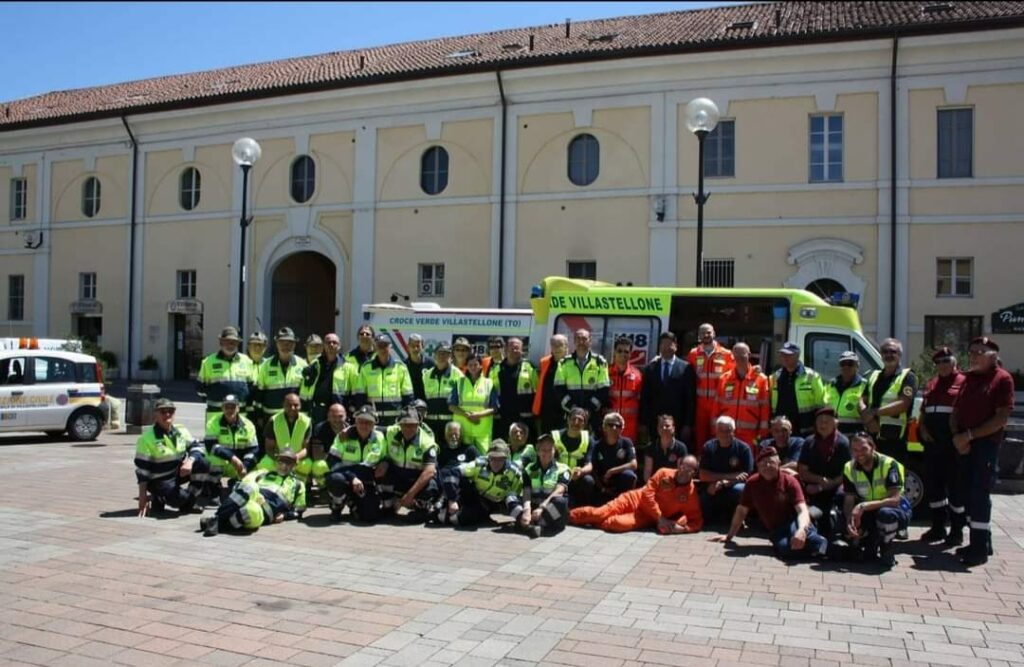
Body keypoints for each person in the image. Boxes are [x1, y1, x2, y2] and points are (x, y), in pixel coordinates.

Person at [951, 336, 1015, 567]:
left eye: (980, 352)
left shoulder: (1002, 379)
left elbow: (1001, 418)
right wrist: (958, 437)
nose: (974, 356)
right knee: (967, 493)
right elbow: (956, 411)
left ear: (993, 355)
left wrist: (969, 436)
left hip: (986, 445)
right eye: (971, 351)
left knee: (979, 495)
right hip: (965, 444)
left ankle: (978, 549)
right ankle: (980, 541)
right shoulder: (969, 379)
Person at [710, 447, 830, 560]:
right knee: (785, 550)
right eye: (762, 463)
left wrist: (801, 530)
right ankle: (818, 551)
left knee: (808, 538)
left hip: (795, 520)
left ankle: (833, 550)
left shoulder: (789, 481)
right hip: (777, 529)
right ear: (757, 466)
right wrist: (729, 536)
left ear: (778, 463)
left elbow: (802, 510)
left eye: (771, 462)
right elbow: (741, 510)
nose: (767, 466)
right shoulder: (752, 483)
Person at [571, 454, 703, 534]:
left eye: (690, 469)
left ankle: (591, 522)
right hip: (633, 499)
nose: (685, 471)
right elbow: (647, 494)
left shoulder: (690, 494)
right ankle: (569, 516)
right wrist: (660, 518)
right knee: (599, 513)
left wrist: (683, 529)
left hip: (647, 517)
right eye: (684, 466)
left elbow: (696, 521)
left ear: (694, 473)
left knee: (616, 524)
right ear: (679, 465)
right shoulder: (663, 473)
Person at [917, 347, 966, 544]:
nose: (942, 365)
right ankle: (938, 528)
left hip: (953, 445)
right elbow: (923, 411)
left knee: (955, 490)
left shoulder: (964, 382)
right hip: (933, 444)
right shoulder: (932, 383)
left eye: (946, 361)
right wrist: (922, 429)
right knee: (934, 488)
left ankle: (956, 531)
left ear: (954, 361)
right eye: (938, 362)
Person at [842, 432, 912, 568]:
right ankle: (868, 542)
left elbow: (894, 499)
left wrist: (863, 506)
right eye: (855, 450)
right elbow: (849, 499)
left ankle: (887, 548)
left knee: (886, 515)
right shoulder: (849, 467)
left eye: (863, 449)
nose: (859, 454)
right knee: (843, 521)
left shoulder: (889, 464)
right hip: (869, 510)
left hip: (895, 509)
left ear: (873, 447)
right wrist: (849, 519)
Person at [200, 448, 306, 536]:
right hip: (249, 496)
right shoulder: (263, 473)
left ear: (294, 466)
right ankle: (217, 519)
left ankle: (216, 522)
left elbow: (299, 511)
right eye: (281, 461)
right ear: (276, 462)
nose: (284, 466)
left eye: (289, 463)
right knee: (250, 487)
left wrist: (285, 515)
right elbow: (243, 484)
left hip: (265, 512)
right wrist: (257, 495)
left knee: (253, 512)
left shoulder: (298, 485)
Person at [134, 398, 209, 516]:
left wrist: (190, 461)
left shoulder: (180, 430)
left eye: (171, 411)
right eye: (163, 412)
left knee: (203, 463)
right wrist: (142, 497)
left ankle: (188, 501)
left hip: (177, 473)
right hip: (159, 480)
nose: (167, 414)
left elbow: (197, 446)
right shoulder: (147, 438)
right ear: (155, 415)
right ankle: (161, 497)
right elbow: (142, 472)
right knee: (179, 499)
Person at [439, 440, 523, 526]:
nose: (496, 463)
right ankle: (443, 507)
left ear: (506, 458)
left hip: (496, 503)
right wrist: (452, 500)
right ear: (488, 457)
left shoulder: (514, 472)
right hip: (475, 496)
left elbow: (518, 493)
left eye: (500, 459)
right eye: (492, 458)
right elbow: (454, 472)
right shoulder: (479, 464)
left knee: (512, 497)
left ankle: (522, 521)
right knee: (461, 480)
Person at [797, 407, 851, 539]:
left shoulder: (843, 443)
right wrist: (820, 481)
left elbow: (847, 473)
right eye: (820, 421)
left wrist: (827, 485)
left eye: (827, 421)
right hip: (814, 488)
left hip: (835, 487)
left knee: (843, 495)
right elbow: (802, 471)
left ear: (836, 423)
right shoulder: (809, 442)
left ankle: (844, 530)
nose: (823, 425)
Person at [325, 405, 386, 522]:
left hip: (365, 481)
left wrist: (385, 463)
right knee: (335, 479)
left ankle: (353, 503)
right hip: (345, 478)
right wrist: (352, 477)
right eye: (360, 421)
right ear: (355, 422)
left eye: (368, 422)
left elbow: (398, 428)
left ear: (374, 425)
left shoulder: (380, 437)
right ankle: (337, 506)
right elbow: (332, 461)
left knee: (370, 516)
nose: (364, 425)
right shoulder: (343, 436)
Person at [861, 338, 917, 465]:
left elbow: (904, 403)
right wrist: (869, 419)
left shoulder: (908, 376)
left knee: (893, 478)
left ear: (899, 355)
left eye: (893, 351)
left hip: (895, 440)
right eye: (885, 351)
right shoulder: (874, 375)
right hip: (872, 437)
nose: (889, 355)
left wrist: (874, 413)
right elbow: (862, 399)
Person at [379, 407, 440, 518]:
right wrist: (350, 429)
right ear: (399, 425)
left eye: (413, 424)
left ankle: (421, 508)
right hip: (399, 477)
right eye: (405, 424)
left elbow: (429, 472)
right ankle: (389, 506)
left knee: (430, 486)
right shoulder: (392, 432)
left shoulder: (427, 443)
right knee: (382, 469)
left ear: (419, 424)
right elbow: (368, 427)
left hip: (418, 481)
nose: (409, 428)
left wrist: (409, 495)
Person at [640, 331, 696, 448]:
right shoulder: (650, 368)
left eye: (669, 345)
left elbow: (690, 399)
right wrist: (644, 423)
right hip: (655, 423)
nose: (666, 348)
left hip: (678, 423)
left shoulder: (686, 368)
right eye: (663, 345)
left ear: (676, 346)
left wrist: (688, 424)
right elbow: (645, 398)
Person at [571, 412, 638, 507]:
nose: (614, 428)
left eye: (617, 425)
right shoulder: (597, 445)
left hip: (620, 485)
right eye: (610, 425)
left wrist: (611, 471)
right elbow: (592, 469)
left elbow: (633, 464)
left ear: (621, 429)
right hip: (601, 486)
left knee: (629, 475)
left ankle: (625, 505)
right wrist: (603, 488)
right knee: (588, 480)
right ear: (604, 427)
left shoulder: (626, 442)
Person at [713, 342, 769, 454]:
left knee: (747, 465)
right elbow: (716, 406)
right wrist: (715, 430)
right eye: (736, 354)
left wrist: (762, 435)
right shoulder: (724, 378)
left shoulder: (761, 379)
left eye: (742, 354)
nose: (738, 357)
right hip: (726, 432)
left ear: (749, 354)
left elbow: (765, 408)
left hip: (750, 434)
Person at [687, 323, 735, 453]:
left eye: (708, 332)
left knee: (719, 435)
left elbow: (735, 375)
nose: (706, 335)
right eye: (702, 333)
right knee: (700, 438)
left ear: (714, 333)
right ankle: (701, 466)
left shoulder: (726, 354)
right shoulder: (693, 354)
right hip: (700, 404)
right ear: (699, 336)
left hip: (718, 403)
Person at [257, 394, 315, 499]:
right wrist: (280, 459)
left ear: (300, 406)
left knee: (308, 464)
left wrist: (296, 457)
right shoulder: (273, 420)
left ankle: (300, 490)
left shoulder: (307, 421)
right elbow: (269, 447)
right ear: (283, 405)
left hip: (297, 459)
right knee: (265, 463)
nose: (292, 408)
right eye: (289, 405)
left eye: (296, 405)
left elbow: (306, 448)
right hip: (278, 457)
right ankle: (268, 489)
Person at [513, 433, 571, 538]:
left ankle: (534, 525)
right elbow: (526, 491)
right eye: (544, 450)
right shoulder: (529, 469)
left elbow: (559, 490)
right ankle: (529, 523)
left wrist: (542, 508)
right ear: (537, 451)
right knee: (510, 497)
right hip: (533, 509)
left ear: (554, 451)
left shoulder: (563, 469)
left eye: (550, 450)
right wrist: (527, 510)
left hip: (552, 513)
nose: (547, 453)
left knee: (561, 501)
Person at [698, 416, 754, 523]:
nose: (724, 434)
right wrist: (728, 477)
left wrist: (727, 482)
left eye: (728, 430)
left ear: (734, 431)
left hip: (733, 486)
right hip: (712, 486)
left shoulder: (743, 448)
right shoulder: (708, 447)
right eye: (721, 430)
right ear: (716, 431)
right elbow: (703, 475)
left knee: (740, 490)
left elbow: (747, 476)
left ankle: (738, 520)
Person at [351, 334, 414, 426]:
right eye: (379, 346)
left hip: (395, 421)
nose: (382, 349)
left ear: (391, 347)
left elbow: (408, 397)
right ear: (375, 347)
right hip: (373, 419)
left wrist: (406, 419)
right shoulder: (366, 368)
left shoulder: (400, 367)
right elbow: (360, 397)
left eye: (385, 345)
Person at [555, 329, 610, 433]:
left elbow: (603, 390)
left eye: (584, 339)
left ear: (590, 341)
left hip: (592, 416)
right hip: (571, 415)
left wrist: (588, 411)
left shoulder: (600, 362)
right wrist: (574, 409)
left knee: (591, 445)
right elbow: (559, 390)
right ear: (574, 341)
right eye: (578, 339)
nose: (581, 342)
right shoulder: (564, 363)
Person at [202, 394, 259, 495]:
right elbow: (211, 445)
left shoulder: (248, 425)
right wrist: (232, 457)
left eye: (232, 407)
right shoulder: (213, 422)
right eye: (226, 407)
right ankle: (213, 486)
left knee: (254, 470)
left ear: (238, 408)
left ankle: (235, 483)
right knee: (213, 458)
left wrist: (245, 466)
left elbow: (253, 449)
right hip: (223, 463)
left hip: (238, 466)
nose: (229, 410)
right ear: (222, 408)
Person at [196, 326, 255, 418]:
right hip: (215, 414)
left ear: (237, 344)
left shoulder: (247, 361)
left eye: (233, 342)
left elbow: (252, 388)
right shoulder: (208, 362)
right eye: (227, 341)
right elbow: (200, 389)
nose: (230, 345)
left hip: (240, 414)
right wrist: (214, 397)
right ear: (220, 342)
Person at [254, 327, 308, 428]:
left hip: (295, 419)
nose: (285, 346)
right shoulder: (266, 365)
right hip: (271, 418)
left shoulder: (303, 365)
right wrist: (259, 416)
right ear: (276, 344)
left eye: (289, 343)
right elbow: (259, 394)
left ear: (295, 344)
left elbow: (305, 396)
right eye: (282, 342)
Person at [769, 341, 825, 437]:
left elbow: (821, 405)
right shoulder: (774, 377)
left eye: (789, 355)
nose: (785, 358)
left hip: (805, 429)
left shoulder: (812, 376)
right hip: (781, 430)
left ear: (797, 355)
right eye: (783, 354)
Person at [448, 353, 499, 453]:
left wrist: (478, 415)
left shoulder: (489, 383)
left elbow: (495, 407)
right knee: (462, 461)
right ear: (466, 366)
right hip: (463, 431)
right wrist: (467, 415)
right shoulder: (459, 382)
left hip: (482, 432)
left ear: (481, 366)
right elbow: (451, 406)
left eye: (475, 364)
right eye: (470, 365)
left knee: (484, 460)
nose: (473, 367)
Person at [489, 337, 537, 442]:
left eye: (517, 348)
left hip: (524, 418)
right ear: (505, 349)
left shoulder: (529, 367)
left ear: (522, 350)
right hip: (502, 418)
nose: (514, 350)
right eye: (511, 348)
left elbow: (537, 393)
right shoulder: (496, 369)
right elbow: (490, 392)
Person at [299, 332, 352, 424]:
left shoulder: (348, 368)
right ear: (324, 346)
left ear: (339, 346)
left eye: (334, 343)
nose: (331, 345)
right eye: (328, 342)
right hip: (318, 414)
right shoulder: (315, 365)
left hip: (338, 414)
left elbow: (354, 395)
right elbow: (305, 391)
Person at [422, 342, 463, 441]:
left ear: (450, 356)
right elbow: (423, 398)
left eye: (445, 353)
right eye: (439, 353)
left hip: (450, 424)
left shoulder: (458, 374)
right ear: (434, 355)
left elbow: (462, 400)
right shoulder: (427, 375)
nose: (442, 356)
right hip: (430, 423)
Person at [608, 336, 643, 444]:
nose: (623, 354)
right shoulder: (605, 373)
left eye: (626, 351)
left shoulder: (637, 375)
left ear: (630, 353)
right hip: (610, 425)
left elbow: (642, 402)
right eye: (619, 351)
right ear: (614, 352)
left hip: (630, 427)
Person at [533, 333, 569, 435]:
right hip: (546, 411)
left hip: (565, 411)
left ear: (566, 346)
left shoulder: (571, 363)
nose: (556, 348)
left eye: (560, 345)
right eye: (553, 345)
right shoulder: (544, 362)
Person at [824, 351, 867, 435]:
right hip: (832, 435)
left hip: (854, 437)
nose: (846, 367)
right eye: (843, 364)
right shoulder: (831, 384)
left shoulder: (865, 386)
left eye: (850, 364)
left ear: (857, 366)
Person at [643, 414, 688, 483]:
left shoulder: (681, 448)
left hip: (674, 484)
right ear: (658, 430)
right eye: (661, 426)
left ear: (673, 428)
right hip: (655, 484)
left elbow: (681, 472)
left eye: (667, 426)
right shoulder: (650, 447)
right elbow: (647, 472)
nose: (664, 428)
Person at [555, 407, 593, 487]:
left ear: (584, 424)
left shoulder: (589, 440)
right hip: (557, 476)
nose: (576, 422)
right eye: (573, 419)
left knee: (588, 481)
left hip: (577, 477)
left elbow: (590, 464)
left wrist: (581, 471)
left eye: (580, 420)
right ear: (568, 420)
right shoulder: (555, 436)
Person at [406, 333, 434, 403]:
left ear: (423, 346)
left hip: (427, 405)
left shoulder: (431, 364)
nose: (415, 349)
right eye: (413, 346)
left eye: (418, 346)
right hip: (410, 406)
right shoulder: (403, 365)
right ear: (408, 347)